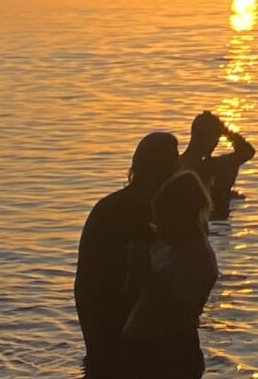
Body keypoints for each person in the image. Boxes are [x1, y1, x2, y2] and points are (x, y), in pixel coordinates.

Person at [75, 131, 180, 374]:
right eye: (173, 161)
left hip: (97, 301)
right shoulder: (135, 210)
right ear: (159, 166)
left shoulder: (114, 205)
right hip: (109, 303)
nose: (178, 167)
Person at [119, 167, 217, 379]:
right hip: (143, 350)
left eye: (164, 220)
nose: (158, 227)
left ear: (183, 217)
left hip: (170, 356)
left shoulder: (197, 258)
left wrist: (143, 272)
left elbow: (175, 314)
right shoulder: (167, 243)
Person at [182, 111, 256, 221]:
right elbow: (247, 152)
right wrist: (226, 131)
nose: (215, 145)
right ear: (204, 138)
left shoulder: (177, 161)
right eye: (215, 139)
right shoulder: (207, 167)